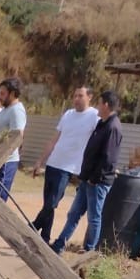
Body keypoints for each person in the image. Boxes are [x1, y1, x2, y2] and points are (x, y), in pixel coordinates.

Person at [51, 90, 123, 253]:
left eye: (99, 102)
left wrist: (94, 178)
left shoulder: (113, 127)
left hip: (97, 182)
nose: (97, 106)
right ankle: (59, 244)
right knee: (74, 213)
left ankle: (89, 250)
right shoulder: (102, 124)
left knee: (94, 218)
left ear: (105, 105)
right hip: (87, 179)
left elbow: (108, 158)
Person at [31, 85, 99, 244]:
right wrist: (40, 161)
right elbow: (55, 139)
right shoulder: (68, 114)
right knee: (48, 204)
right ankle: (44, 238)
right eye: (75, 96)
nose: (76, 99)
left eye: (80, 96)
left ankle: (32, 227)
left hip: (68, 168)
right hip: (53, 163)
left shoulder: (94, 116)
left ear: (90, 97)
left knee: (52, 203)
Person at [0, 77, 26, 204]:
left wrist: (1, 155)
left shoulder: (17, 111)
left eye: (3, 94)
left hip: (5, 162)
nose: (0, 97)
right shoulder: (5, 110)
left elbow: (17, 137)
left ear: (13, 93)